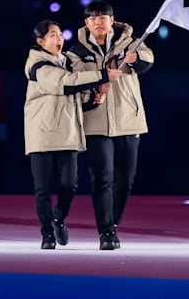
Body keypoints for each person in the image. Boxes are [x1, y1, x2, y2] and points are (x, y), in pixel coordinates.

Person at [23, 19, 122, 249]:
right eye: (52, 35)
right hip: (43, 136)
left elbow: (76, 96)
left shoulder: (67, 62)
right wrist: (103, 75)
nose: (59, 38)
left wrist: (94, 98)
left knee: (69, 185)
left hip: (68, 135)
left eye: (60, 34)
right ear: (40, 42)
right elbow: (65, 84)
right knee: (43, 189)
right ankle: (47, 235)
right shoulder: (38, 66)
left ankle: (59, 217)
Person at [67, 0, 154, 250]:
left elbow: (148, 60)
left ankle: (113, 223)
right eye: (93, 18)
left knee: (125, 180)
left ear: (112, 20)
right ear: (86, 23)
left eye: (103, 17)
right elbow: (74, 81)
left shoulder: (130, 42)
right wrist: (95, 89)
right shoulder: (76, 52)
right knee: (102, 178)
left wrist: (135, 58)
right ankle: (106, 232)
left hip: (128, 121)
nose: (98, 22)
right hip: (96, 123)